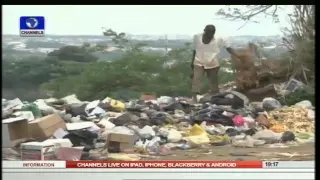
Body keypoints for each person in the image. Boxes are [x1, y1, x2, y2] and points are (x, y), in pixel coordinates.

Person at [191, 24, 230, 103]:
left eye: (212, 33)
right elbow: (194, 49)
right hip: (199, 61)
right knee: (196, 80)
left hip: (212, 63)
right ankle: (194, 99)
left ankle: (215, 99)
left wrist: (238, 56)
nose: (210, 35)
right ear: (204, 31)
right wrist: (192, 62)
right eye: (208, 33)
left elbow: (228, 48)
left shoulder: (219, 39)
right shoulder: (197, 37)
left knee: (213, 82)